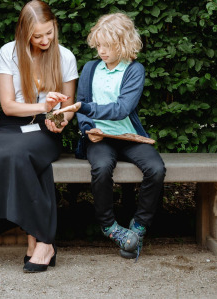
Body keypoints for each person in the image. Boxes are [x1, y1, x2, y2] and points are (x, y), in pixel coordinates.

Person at [0, 0, 79, 273]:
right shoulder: (8, 52)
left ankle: (42, 241)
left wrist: (60, 120)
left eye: (49, 32)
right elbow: (8, 105)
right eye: (37, 35)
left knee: (22, 154)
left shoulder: (66, 57)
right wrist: (42, 107)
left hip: (46, 128)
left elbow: (67, 108)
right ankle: (38, 239)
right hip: (11, 124)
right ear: (24, 33)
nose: (45, 40)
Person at [72, 13, 165, 259]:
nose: (102, 51)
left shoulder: (134, 70)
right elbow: (79, 105)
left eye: (108, 46)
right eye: (98, 45)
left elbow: (122, 108)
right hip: (99, 137)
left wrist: (85, 109)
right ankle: (110, 227)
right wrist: (87, 129)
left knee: (156, 168)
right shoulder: (91, 68)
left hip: (128, 136)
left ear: (123, 44)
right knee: (101, 168)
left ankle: (139, 226)